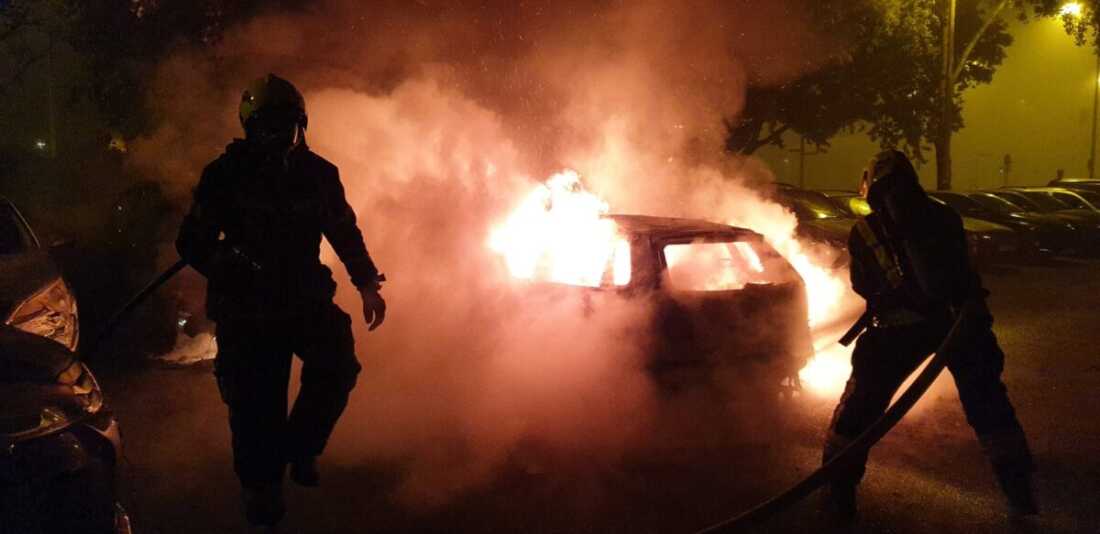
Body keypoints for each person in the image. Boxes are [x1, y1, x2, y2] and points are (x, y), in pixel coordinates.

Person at [176, 73, 387, 529]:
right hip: (247, 309)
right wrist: (227, 262)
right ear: (250, 127)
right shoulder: (224, 175)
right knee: (255, 410)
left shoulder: (319, 175)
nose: (276, 135)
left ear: (299, 126)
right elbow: (192, 242)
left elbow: (343, 231)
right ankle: (262, 495)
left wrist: (367, 282)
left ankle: (303, 447)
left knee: (337, 365)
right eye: (266, 126)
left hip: (303, 297)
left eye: (285, 125)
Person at [821, 150, 1037, 524]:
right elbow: (962, 269)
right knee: (990, 408)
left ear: (870, 187)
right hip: (959, 326)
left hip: (897, 331)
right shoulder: (945, 215)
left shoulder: (864, 231)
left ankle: (838, 496)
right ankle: (1020, 496)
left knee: (857, 413)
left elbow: (862, 284)